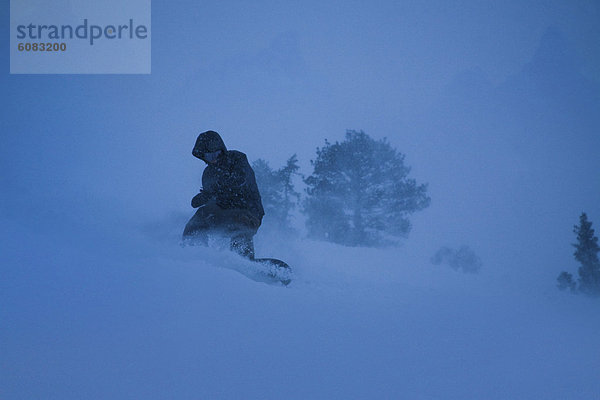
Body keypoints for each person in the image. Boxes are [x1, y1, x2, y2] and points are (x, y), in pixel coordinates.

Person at [183, 130, 264, 259]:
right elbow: (214, 199)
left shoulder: (237, 159)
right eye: (209, 156)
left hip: (248, 210)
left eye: (216, 154)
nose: (213, 159)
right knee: (202, 214)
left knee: (240, 221)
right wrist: (205, 198)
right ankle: (192, 250)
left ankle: (243, 258)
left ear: (222, 150)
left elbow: (240, 180)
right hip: (224, 213)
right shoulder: (208, 173)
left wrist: (214, 190)